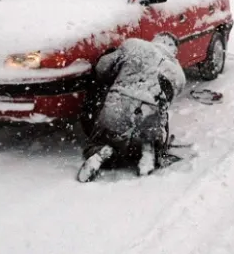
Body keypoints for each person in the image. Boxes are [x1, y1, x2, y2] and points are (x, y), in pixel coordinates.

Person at [77, 34, 186, 182]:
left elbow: (102, 68)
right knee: (150, 131)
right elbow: (166, 106)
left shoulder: (134, 45)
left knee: (99, 140)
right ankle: (148, 148)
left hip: (116, 109)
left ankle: (102, 150)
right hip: (149, 119)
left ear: (154, 40)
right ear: (174, 50)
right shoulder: (179, 75)